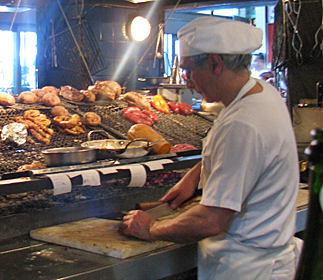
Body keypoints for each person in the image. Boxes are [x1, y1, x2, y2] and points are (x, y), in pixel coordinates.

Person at [119, 17, 302, 280]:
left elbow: (210, 220)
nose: (188, 83)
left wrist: (152, 228)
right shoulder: (261, 93)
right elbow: (241, 157)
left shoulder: (243, 123)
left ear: (216, 63)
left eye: (189, 71)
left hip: (248, 269)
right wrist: (194, 176)